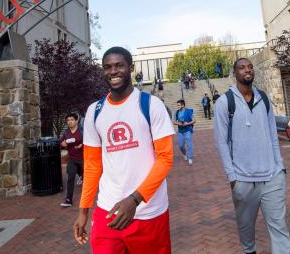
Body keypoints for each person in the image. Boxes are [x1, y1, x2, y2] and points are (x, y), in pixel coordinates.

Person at [73, 47, 175, 253]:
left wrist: (134, 199)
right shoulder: (95, 111)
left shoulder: (151, 105)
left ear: (131, 68)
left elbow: (165, 158)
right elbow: (92, 165)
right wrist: (84, 210)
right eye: (107, 67)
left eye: (119, 65)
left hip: (148, 211)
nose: (113, 71)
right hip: (107, 211)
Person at [214, 58, 290, 254]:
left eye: (249, 67)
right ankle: (250, 251)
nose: (247, 70)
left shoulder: (263, 98)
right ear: (235, 73)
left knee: (279, 228)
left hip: (272, 176)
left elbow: (273, 135)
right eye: (242, 67)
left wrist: (279, 166)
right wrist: (232, 177)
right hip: (243, 179)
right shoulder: (225, 102)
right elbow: (221, 142)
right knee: (246, 229)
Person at [60, 112, 84, 207]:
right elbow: (61, 142)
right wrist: (62, 144)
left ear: (76, 121)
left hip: (83, 158)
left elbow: (89, 141)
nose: (70, 122)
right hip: (72, 159)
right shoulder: (66, 133)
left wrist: (82, 145)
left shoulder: (82, 131)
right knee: (70, 177)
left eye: (72, 120)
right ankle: (68, 200)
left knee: (86, 176)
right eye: (68, 120)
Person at [173, 99, 196, 165]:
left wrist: (187, 123)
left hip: (187, 130)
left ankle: (190, 158)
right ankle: (184, 154)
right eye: (177, 105)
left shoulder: (188, 111)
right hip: (180, 131)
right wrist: (178, 123)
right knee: (180, 145)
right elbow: (174, 121)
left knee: (189, 144)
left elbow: (194, 120)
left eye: (179, 105)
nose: (178, 106)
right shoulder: (176, 112)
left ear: (183, 105)